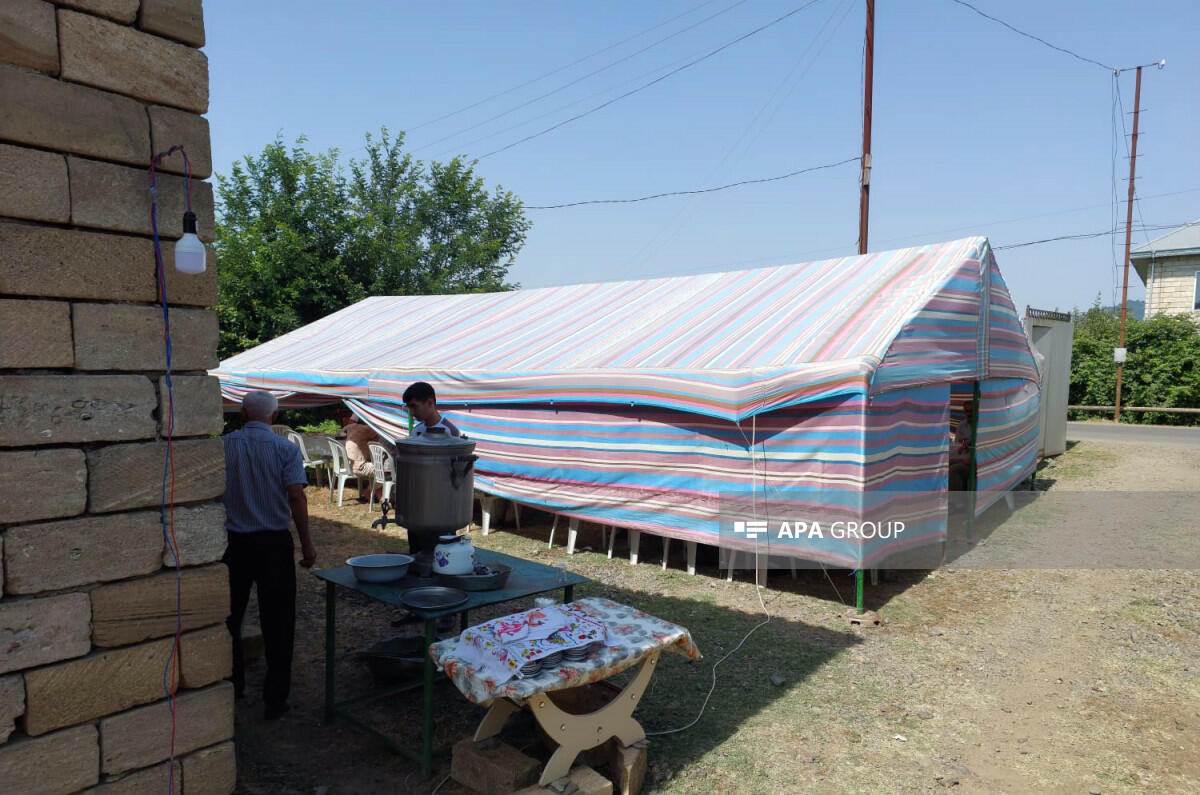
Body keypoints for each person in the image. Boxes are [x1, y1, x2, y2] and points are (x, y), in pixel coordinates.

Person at [221, 390, 317, 720]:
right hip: (274, 543)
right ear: (274, 416)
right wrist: (307, 544)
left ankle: (233, 685)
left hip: (233, 543)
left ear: (243, 413)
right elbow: (296, 496)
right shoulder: (285, 449)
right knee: (278, 622)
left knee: (230, 617)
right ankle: (275, 699)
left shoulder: (223, 446)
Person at [342, 413, 381, 501]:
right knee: (384, 471)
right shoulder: (367, 429)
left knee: (381, 469)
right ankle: (368, 492)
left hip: (350, 466)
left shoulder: (350, 428)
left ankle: (379, 496)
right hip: (360, 467)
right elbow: (380, 439)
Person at [948, 400, 974, 492]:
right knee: (945, 464)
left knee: (953, 469)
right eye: (967, 411)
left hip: (975, 460)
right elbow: (957, 446)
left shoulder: (982, 425)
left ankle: (957, 499)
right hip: (963, 457)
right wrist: (963, 444)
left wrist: (967, 442)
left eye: (971, 411)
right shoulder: (961, 425)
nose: (969, 414)